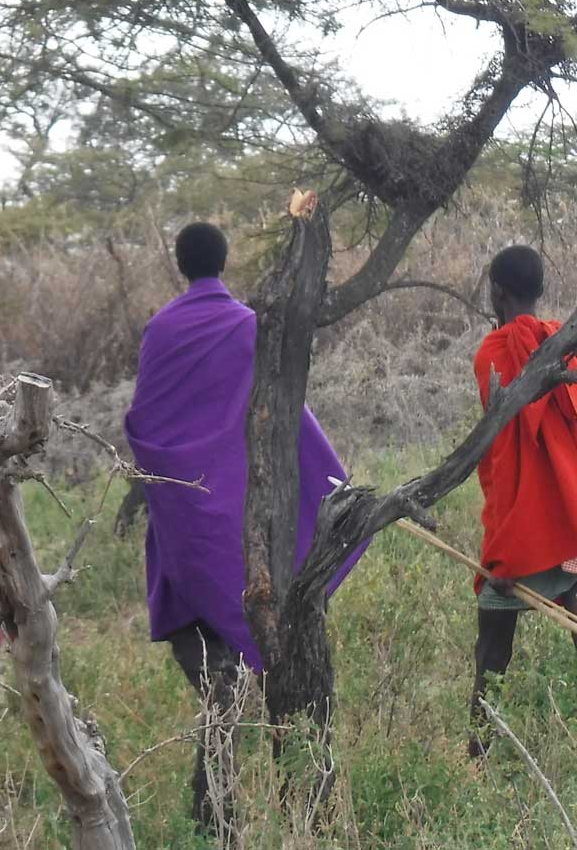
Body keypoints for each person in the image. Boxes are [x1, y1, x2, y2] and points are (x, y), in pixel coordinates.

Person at [124, 221, 365, 834]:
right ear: (225, 261)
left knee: (218, 685)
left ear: (181, 265)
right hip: (240, 531)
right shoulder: (247, 325)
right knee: (228, 688)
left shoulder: (160, 330)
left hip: (183, 531)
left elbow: (147, 429)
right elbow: (286, 414)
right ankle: (222, 813)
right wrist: (333, 479)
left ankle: (219, 815)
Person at [469, 245, 577, 757]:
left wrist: (505, 537)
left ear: (497, 291)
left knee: (492, 651)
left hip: (516, 532)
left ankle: (477, 757)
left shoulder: (492, 354)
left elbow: (498, 454)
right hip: (570, 522)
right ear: (537, 291)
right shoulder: (570, 347)